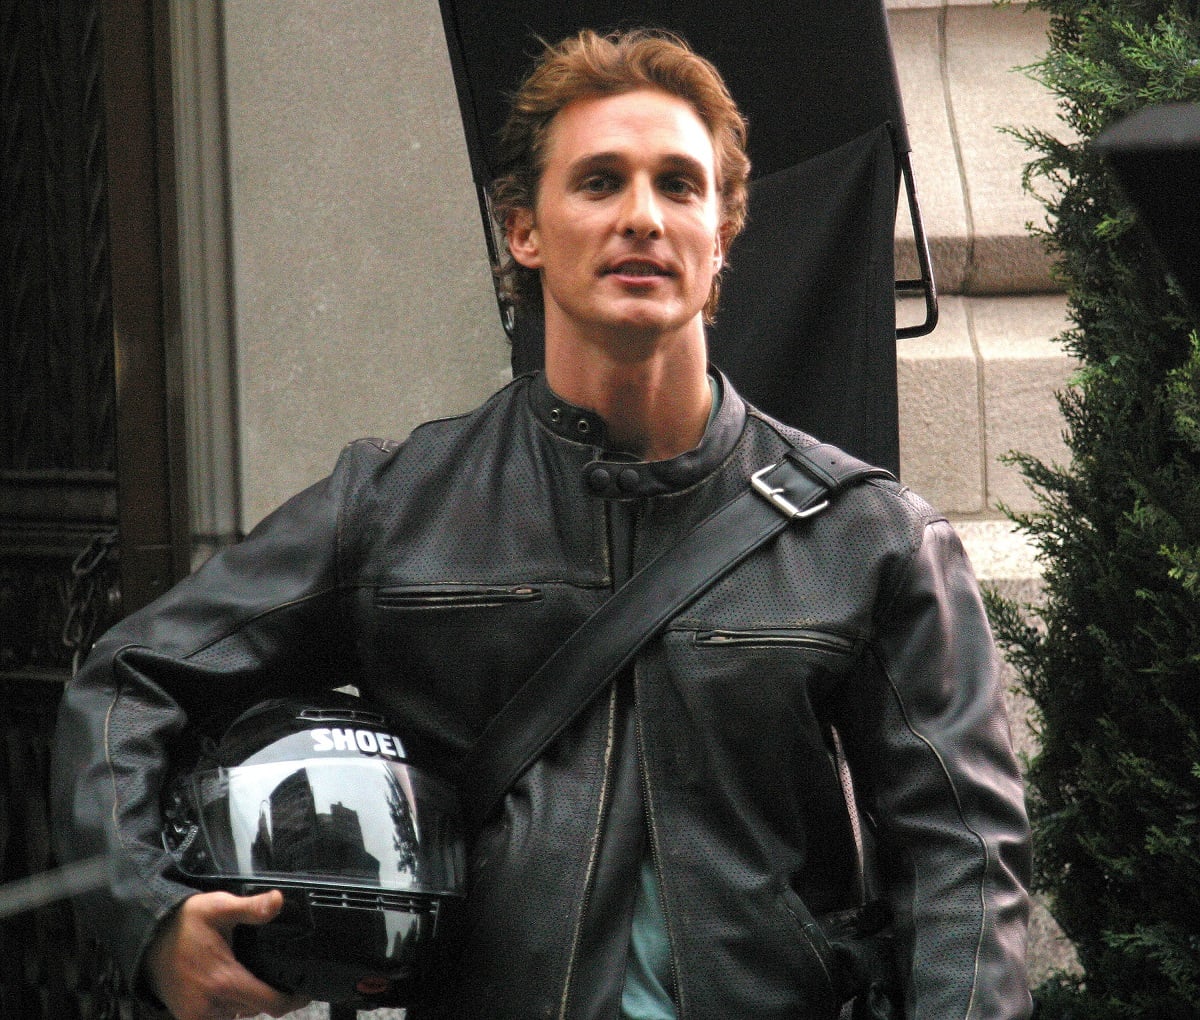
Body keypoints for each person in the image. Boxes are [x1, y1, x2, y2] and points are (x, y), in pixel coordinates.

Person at [52, 27, 1033, 1020]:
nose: (642, 216)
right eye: (600, 183)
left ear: (723, 237)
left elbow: (966, 861)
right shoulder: (397, 507)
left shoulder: (865, 535)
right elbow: (129, 682)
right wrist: (151, 918)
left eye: (679, 186)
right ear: (523, 230)